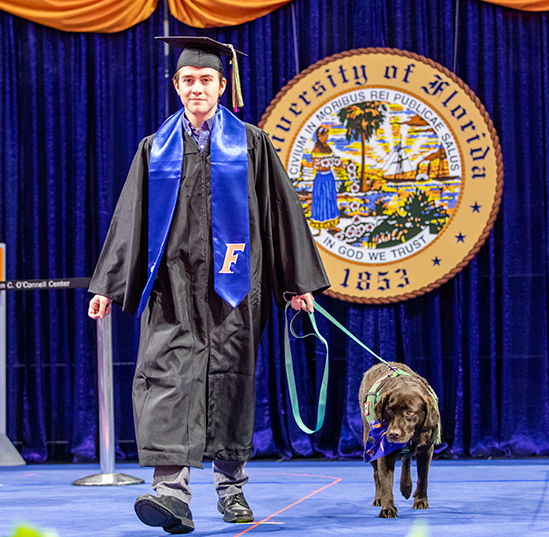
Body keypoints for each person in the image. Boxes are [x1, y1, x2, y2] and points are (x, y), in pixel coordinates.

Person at [87, 36, 330, 535]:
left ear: (223, 85)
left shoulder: (252, 145)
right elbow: (129, 221)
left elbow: (280, 216)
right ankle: (170, 492)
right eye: (188, 80)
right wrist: (108, 286)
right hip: (171, 289)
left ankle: (230, 485)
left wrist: (296, 282)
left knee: (229, 381)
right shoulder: (155, 149)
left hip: (234, 289)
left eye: (206, 80)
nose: (197, 88)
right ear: (176, 87)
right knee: (167, 381)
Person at [309, 126, 340, 230]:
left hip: (329, 176)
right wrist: (324, 164)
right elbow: (315, 164)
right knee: (322, 199)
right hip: (321, 178)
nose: (327, 136)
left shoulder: (327, 147)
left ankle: (331, 224)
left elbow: (333, 160)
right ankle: (321, 224)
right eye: (325, 134)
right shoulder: (316, 149)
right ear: (319, 136)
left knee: (331, 198)